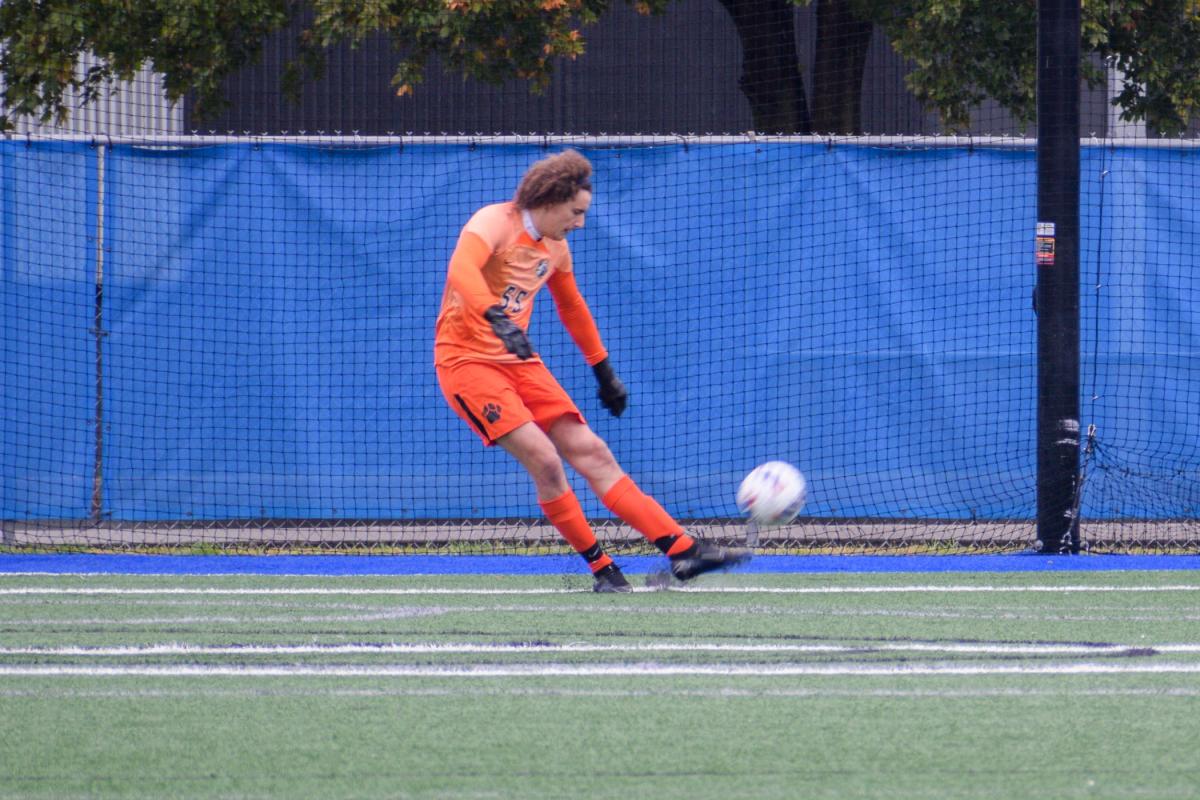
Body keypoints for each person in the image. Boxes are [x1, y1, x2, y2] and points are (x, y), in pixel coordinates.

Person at [434, 149, 749, 592]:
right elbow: (461, 268)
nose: (580, 223)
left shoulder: (556, 250)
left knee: (594, 452)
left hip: (519, 360)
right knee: (545, 461)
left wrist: (605, 373)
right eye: (575, 212)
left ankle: (683, 551)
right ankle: (603, 568)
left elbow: (573, 308)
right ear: (550, 199)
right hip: (466, 363)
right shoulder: (493, 221)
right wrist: (495, 316)